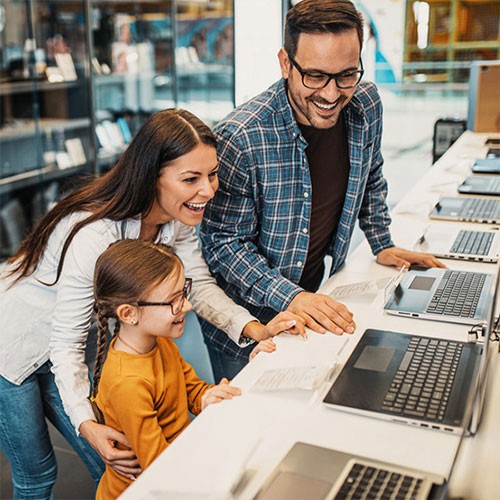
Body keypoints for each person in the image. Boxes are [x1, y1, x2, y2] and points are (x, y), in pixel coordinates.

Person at [0, 108, 304, 499]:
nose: (209, 190)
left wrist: (253, 329)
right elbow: (65, 342)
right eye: (191, 178)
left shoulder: (175, 218)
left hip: (72, 342)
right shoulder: (95, 235)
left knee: (109, 465)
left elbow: (196, 286)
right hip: (17, 345)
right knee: (38, 475)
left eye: (211, 174)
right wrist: (86, 425)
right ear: (151, 175)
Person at [199, 0, 444, 381]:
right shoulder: (241, 136)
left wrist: (382, 242)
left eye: (347, 75)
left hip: (311, 293)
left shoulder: (366, 104)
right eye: (314, 76)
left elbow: (370, 172)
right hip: (246, 319)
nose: (331, 94)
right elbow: (224, 244)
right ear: (285, 63)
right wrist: (291, 296)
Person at [91, 239, 273, 499]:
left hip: (180, 465)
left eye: (184, 293)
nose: (187, 307)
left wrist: (207, 397)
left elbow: (192, 391)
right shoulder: (127, 383)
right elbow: (158, 465)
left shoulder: (160, 341)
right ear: (129, 313)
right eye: (173, 301)